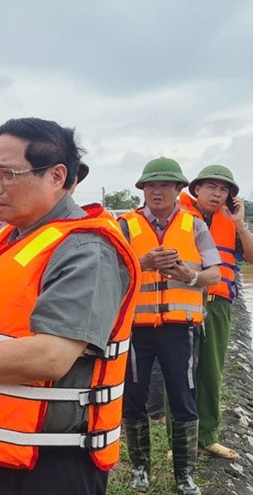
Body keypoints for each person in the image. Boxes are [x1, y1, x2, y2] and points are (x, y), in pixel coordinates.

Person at [0, 118, 140, 495]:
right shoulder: (7, 239)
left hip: (51, 465)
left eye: (9, 173)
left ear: (56, 176)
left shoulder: (87, 250)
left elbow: (51, 355)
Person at [117, 157, 220, 495]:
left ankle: (185, 475)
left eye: (164, 185)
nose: (156, 191)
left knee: (183, 399)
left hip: (180, 329)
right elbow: (108, 271)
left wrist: (188, 276)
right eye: (150, 185)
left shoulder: (195, 226)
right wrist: (141, 262)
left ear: (178, 190)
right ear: (143, 190)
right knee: (133, 400)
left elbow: (214, 275)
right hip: (136, 329)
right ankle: (140, 471)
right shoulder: (125, 225)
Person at [178, 165, 253, 459]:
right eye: (211, 187)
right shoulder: (178, 216)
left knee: (212, 370)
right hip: (183, 299)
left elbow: (250, 257)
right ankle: (179, 440)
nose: (217, 194)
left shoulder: (230, 221)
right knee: (180, 372)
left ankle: (208, 435)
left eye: (224, 190)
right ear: (196, 189)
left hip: (218, 303)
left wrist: (241, 224)